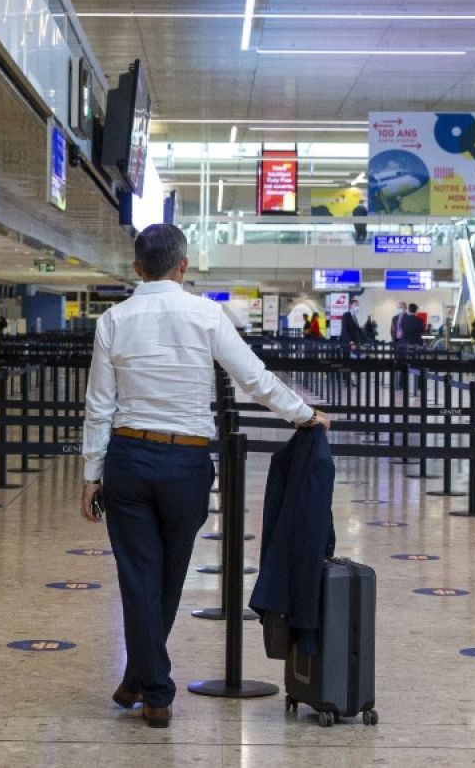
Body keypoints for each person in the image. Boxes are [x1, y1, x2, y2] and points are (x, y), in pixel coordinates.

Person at [79, 224, 329, 729]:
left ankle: (142, 680)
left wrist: (91, 473)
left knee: (139, 578)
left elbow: (99, 406)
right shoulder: (206, 314)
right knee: (169, 577)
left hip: (128, 458)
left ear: (136, 268)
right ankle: (157, 690)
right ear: (183, 266)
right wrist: (303, 415)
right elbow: (254, 378)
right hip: (186, 463)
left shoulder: (113, 320)